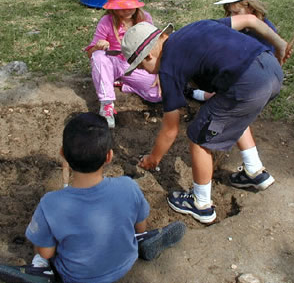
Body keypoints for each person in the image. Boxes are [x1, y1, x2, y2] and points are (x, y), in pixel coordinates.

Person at [120, 16, 287, 224]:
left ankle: (201, 204)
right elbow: (249, 20)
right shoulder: (198, 25)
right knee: (231, 112)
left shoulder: (168, 67)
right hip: (271, 69)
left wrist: (154, 158)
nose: (142, 71)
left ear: (147, 56)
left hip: (247, 85)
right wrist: (279, 43)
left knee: (198, 136)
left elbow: (170, 129)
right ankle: (254, 171)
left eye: (140, 66)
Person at [0, 112, 186, 283]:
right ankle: (141, 241)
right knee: (131, 228)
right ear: (109, 156)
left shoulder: (51, 203)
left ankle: (40, 270)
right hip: (124, 263)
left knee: (42, 251)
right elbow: (140, 224)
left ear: (63, 154)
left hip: (75, 276)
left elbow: (46, 251)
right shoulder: (128, 186)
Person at [85, 0, 161, 128]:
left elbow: (155, 48)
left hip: (137, 65)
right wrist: (97, 47)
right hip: (113, 62)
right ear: (112, 8)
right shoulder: (106, 22)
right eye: (121, 7)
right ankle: (107, 104)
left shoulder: (145, 19)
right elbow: (90, 53)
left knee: (157, 95)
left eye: (130, 6)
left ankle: (124, 84)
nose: (126, 10)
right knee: (98, 56)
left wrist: (159, 73)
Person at [187, 0, 278, 102]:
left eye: (235, 13)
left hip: (245, 77)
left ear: (251, 7)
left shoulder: (265, 34)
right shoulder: (236, 24)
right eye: (230, 12)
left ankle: (204, 95)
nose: (232, 16)